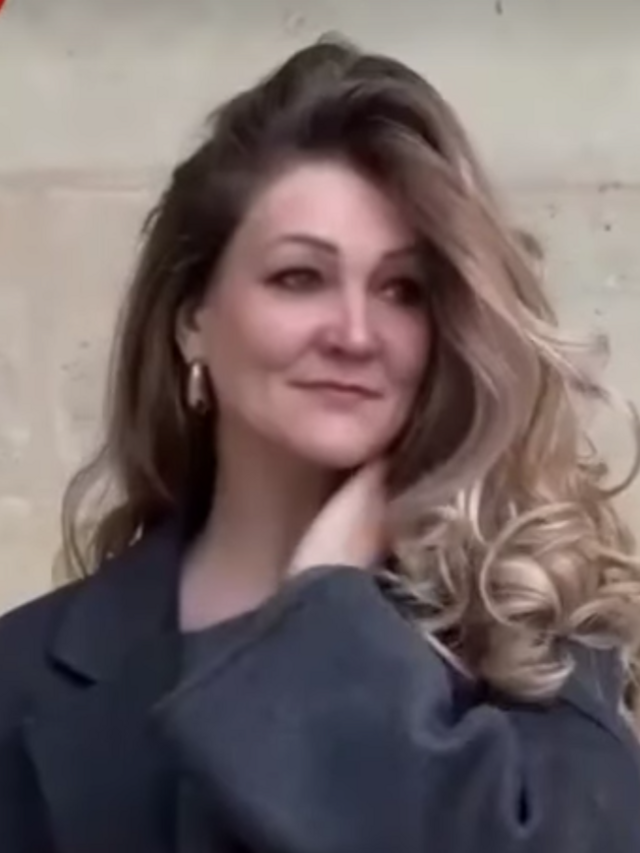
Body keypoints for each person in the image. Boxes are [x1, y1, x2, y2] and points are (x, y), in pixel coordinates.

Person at [1, 36, 640, 853]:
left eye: (402, 289)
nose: (354, 333)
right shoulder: (23, 674)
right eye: (299, 277)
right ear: (192, 319)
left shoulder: (533, 641)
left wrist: (325, 606)